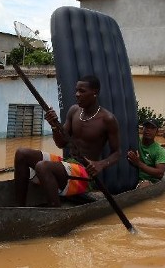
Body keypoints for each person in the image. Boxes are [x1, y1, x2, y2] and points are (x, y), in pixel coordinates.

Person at [13, 75, 121, 207]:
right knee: (21, 153)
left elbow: (117, 153)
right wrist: (54, 125)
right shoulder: (74, 111)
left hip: (84, 172)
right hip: (68, 163)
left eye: (82, 91)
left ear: (95, 93)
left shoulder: (107, 119)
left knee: (42, 166)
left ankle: (57, 213)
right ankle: (19, 208)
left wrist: (100, 165)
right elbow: (61, 143)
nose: (77, 94)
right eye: (76, 90)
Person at [127, 119, 165, 188]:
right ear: (142, 129)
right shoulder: (135, 141)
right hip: (132, 177)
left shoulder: (159, 150)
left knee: (145, 185)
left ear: (157, 132)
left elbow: (160, 173)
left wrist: (138, 163)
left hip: (149, 181)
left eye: (152, 128)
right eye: (146, 127)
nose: (148, 130)